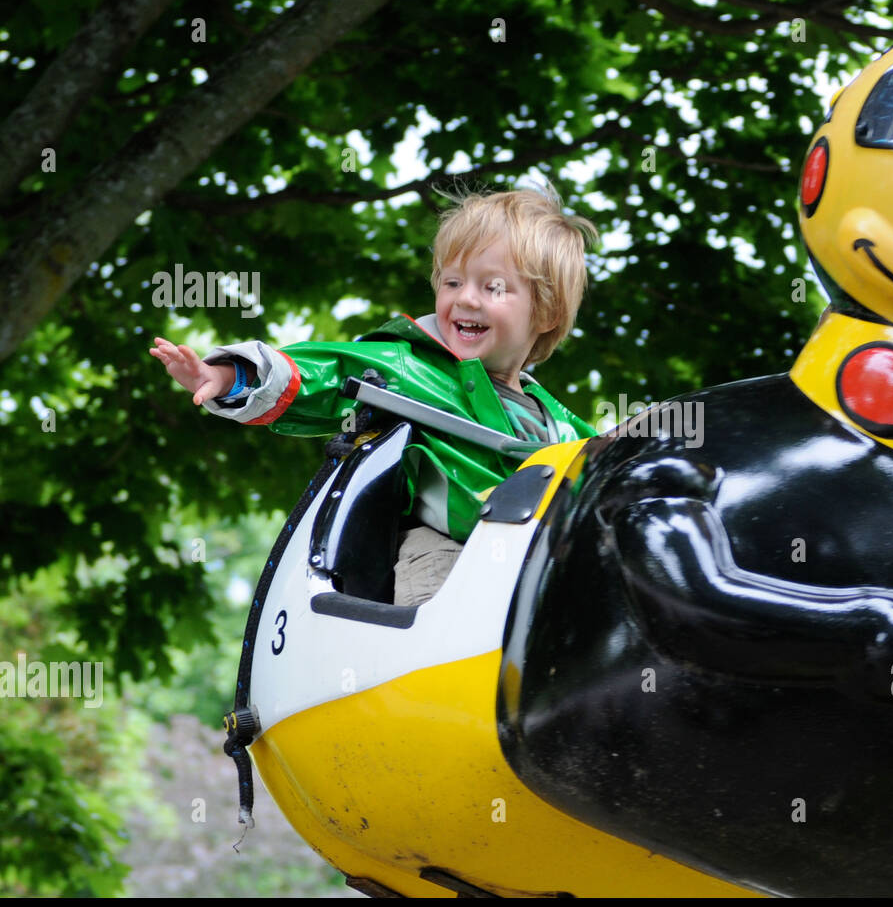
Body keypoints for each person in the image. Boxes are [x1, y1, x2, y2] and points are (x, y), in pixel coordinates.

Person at [150, 182, 601, 605]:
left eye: (493, 286)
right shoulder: (409, 365)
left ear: (545, 312)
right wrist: (233, 377)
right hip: (442, 546)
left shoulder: (558, 422)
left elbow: (612, 469)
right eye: (453, 282)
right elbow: (324, 372)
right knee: (440, 628)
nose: (466, 299)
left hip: (534, 565)